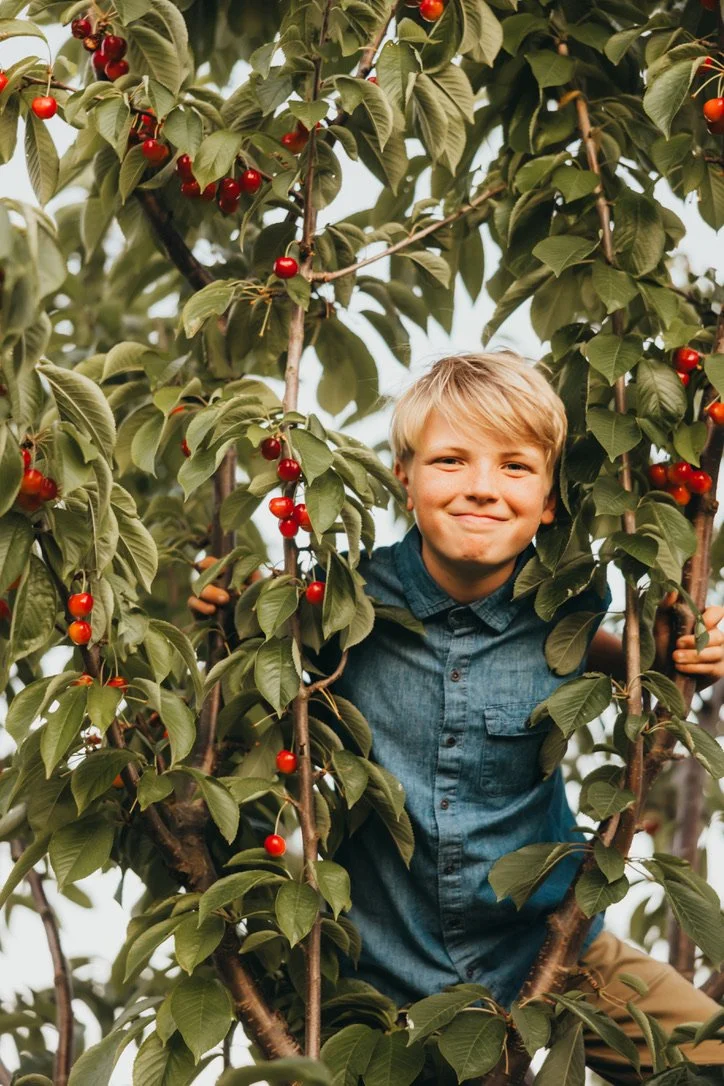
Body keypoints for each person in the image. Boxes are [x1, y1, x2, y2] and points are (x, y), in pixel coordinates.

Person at [193, 353, 724, 1083]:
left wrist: (672, 654)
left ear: (548, 503)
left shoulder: (566, 608)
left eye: (515, 468)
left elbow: (612, 663)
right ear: (403, 479)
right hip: (380, 982)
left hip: (553, 945)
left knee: (708, 1058)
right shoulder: (340, 608)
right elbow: (253, 683)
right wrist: (232, 620)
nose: (481, 487)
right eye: (450, 460)